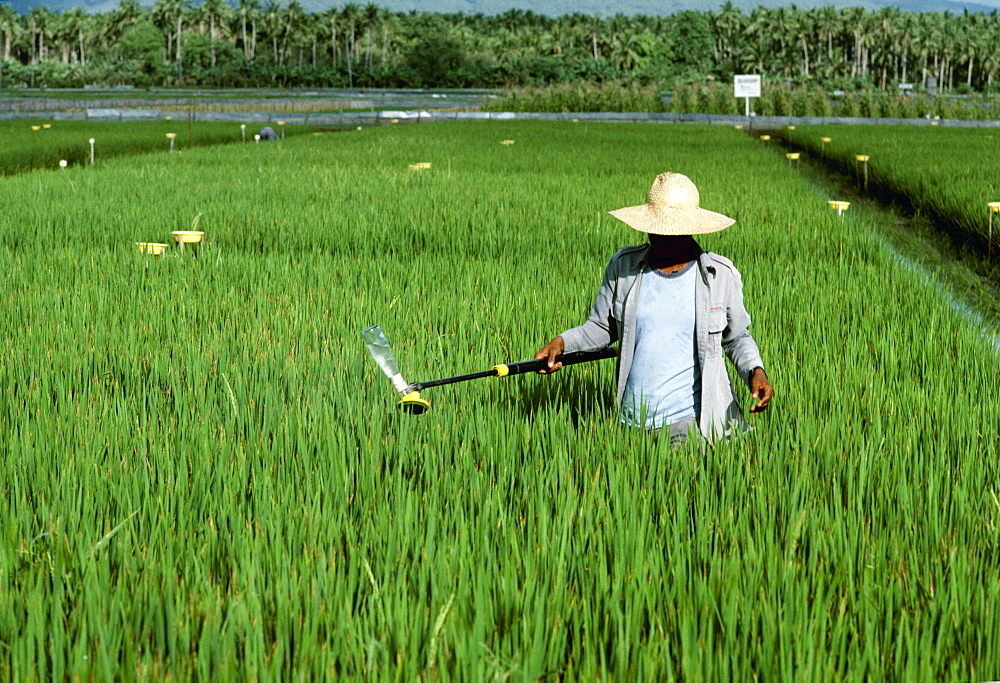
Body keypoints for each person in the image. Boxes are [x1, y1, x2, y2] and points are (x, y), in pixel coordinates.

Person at [534, 172, 773, 445]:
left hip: (688, 421)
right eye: (656, 228)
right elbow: (601, 327)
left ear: (692, 228)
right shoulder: (624, 267)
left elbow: (737, 338)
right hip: (630, 422)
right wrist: (562, 342)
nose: (661, 237)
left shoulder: (718, 275)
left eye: (671, 231)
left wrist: (756, 372)